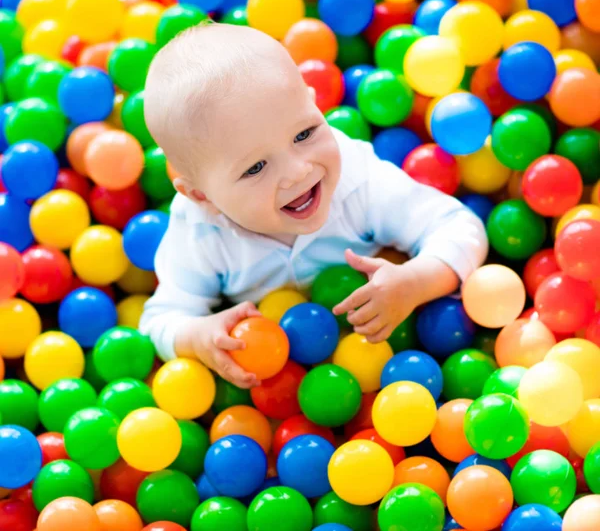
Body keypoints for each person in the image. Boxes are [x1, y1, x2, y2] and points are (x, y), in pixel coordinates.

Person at [140, 22, 488, 389]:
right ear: (202, 197)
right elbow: (160, 320)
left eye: (304, 134)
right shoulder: (199, 232)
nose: (297, 171)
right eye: (255, 168)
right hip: (278, 387)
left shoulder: (357, 181)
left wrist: (416, 282)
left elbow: (458, 226)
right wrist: (197, 337)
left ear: (313, 102)